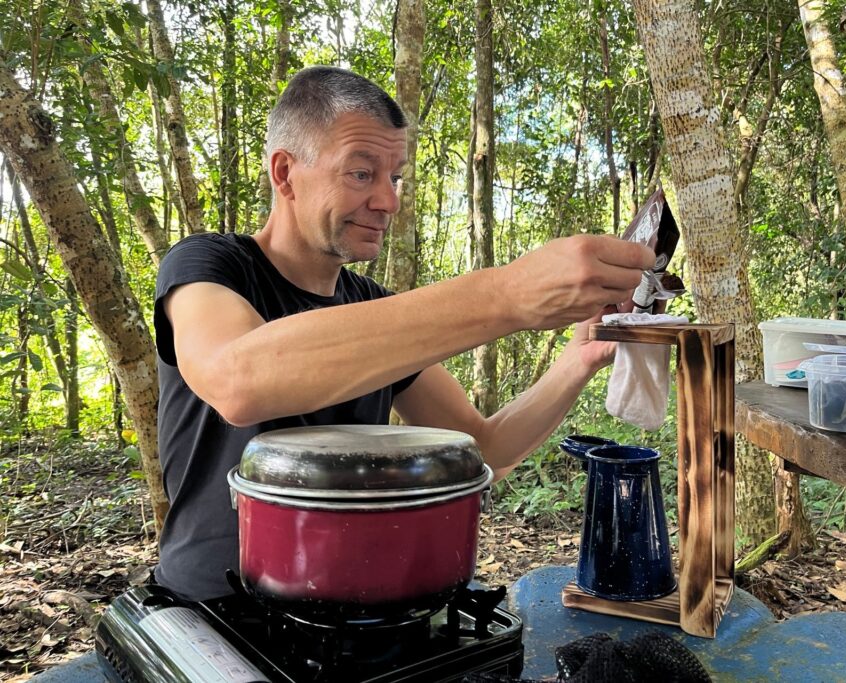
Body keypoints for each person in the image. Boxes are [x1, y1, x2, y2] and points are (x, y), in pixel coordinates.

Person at [153, 65, 654, 601]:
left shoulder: (373, 307)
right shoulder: (208, 265)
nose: (388, 201)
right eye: (361, 174)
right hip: (210, 610)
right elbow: (239, 380)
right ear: (284, 174)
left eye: (394, 178)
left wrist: (579, 357)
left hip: (353, 609)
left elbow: (483, 447)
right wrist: (507, 295)